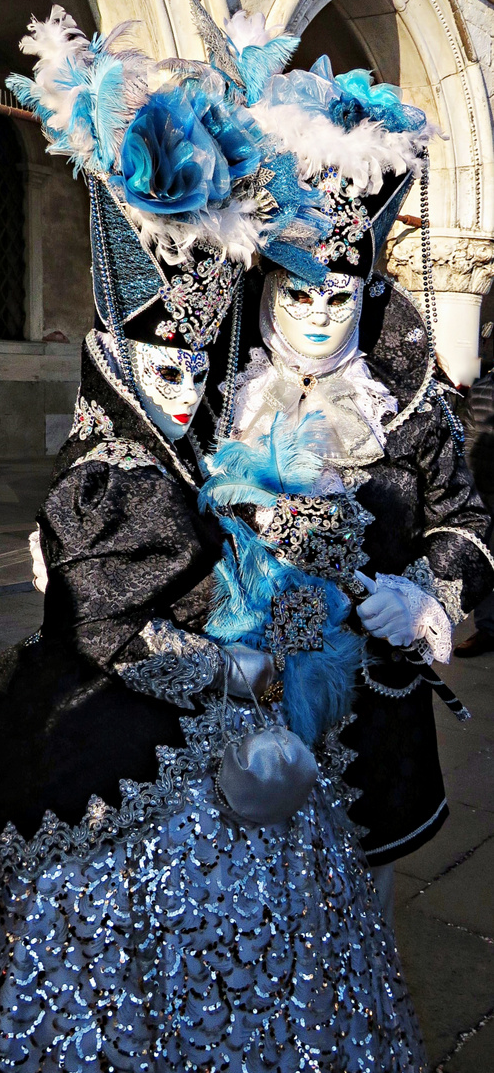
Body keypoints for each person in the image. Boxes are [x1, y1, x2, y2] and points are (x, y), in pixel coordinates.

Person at [0, 4, 429, 1072]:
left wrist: (408, 596)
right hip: (136, 742)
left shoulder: (355, 394)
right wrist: (229, 663)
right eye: (164, 369)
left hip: (323, 740)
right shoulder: (108, 479)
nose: (186, 391)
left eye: (199, 368)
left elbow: (428, 525)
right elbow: (109, 621)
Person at [199, 47, 494, 920]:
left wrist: (427, 597)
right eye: (300, 298)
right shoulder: (212, 391)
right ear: (265, 295)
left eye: (340, 299)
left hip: (369, 717)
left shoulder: (404, 397)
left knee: (356, 915)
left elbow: (468, 525)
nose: (322, 318)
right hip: (234, 698)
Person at [454, 365, 494, 656]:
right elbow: (468, 437)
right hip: (484, 489)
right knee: (486, 560)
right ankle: (488, 630)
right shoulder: (481, 389)